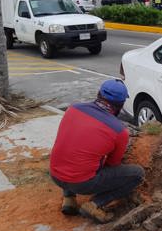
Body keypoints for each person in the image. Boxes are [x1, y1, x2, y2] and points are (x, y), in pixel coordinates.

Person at [50, 79, 145, 223]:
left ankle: (69, 199)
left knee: (72, 150)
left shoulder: (72, 109)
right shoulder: (119, 131)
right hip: (81, 183)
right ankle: (95, 204)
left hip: (55, 174)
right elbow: (113, 164)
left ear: (98, 94)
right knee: (137, 174)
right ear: (120, 105)